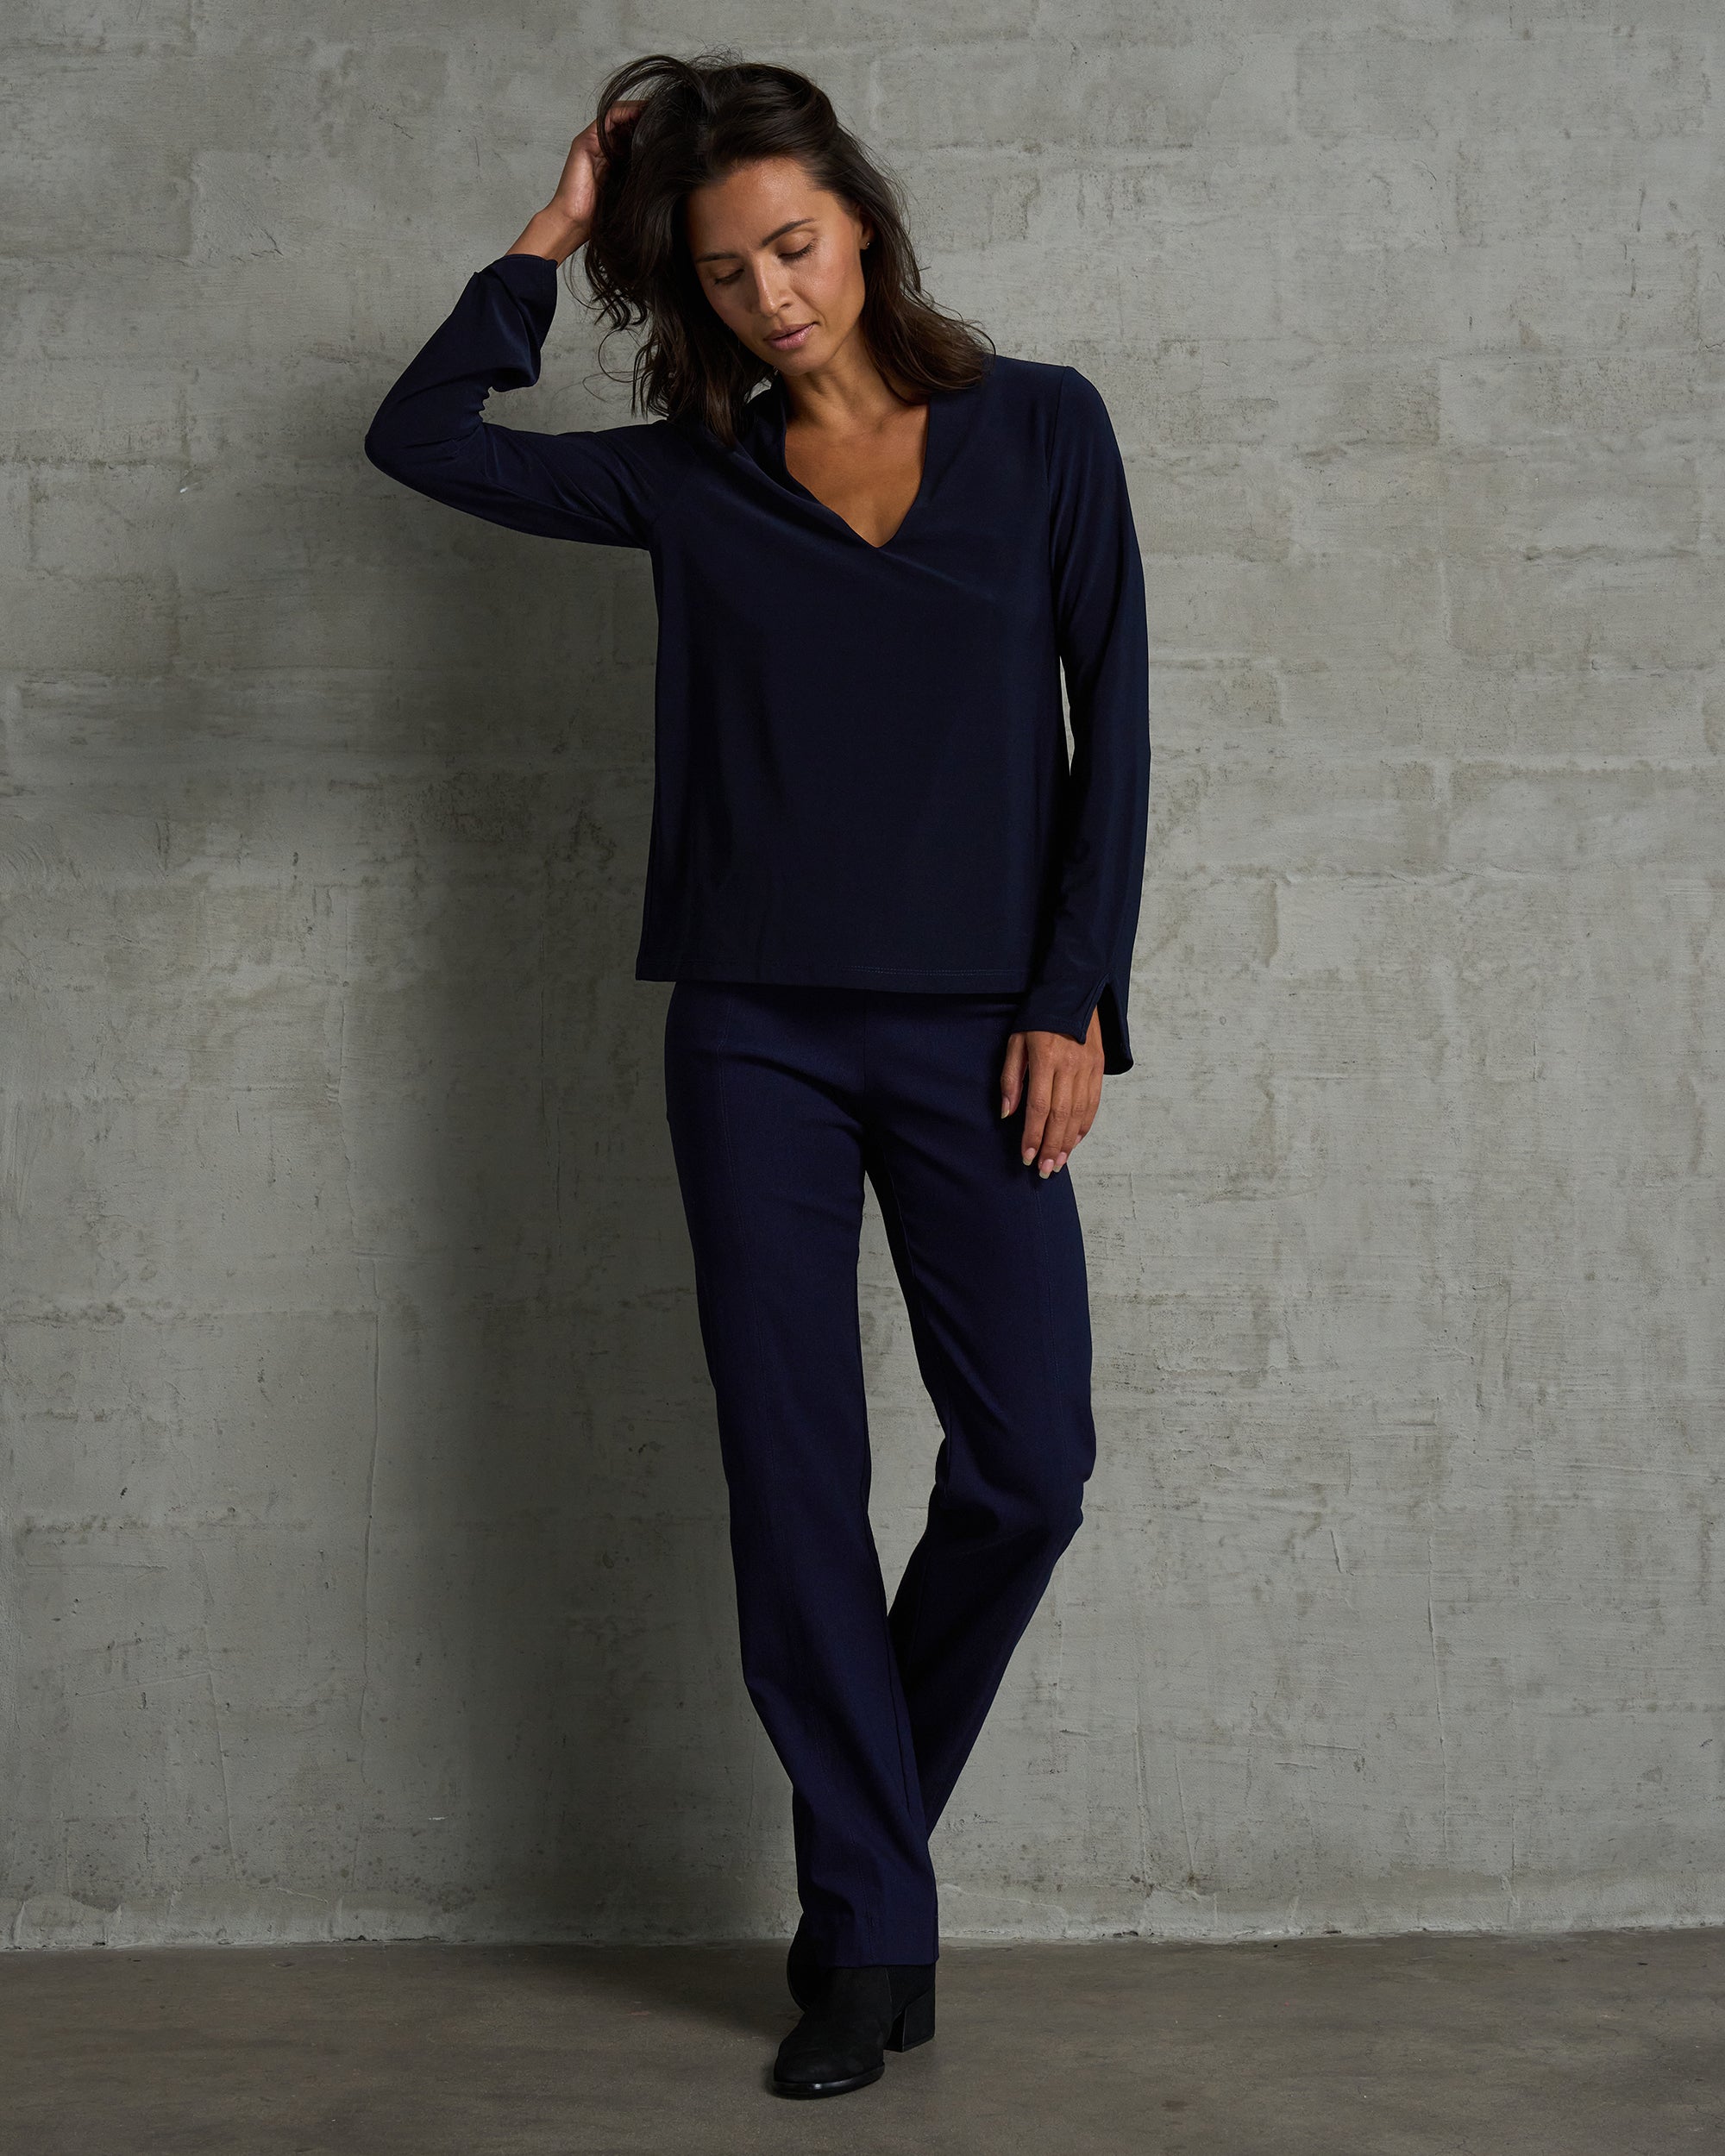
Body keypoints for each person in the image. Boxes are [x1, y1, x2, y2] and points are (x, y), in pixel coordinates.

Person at [363, 50, 1151, 2103]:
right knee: (796, 1484)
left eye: (792, 246)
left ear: (860, 225)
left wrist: (1072, 999)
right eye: (723, 272)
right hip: (753, 1038)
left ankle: (861, 1873)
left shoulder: (1043, 429)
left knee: (1030, 1469)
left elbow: (1115, 725)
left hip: (983, 1031)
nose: (770, 296)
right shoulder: (687, 476)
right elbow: (419, 435)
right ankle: (873, 1928)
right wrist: (552, 235)